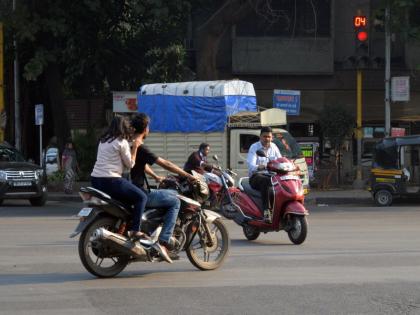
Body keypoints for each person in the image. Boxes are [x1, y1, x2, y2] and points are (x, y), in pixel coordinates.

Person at [90, 115, 171, 263]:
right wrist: (135, 147)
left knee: (128, 200)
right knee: (141, 197)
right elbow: (130, 164)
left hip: (96, 180)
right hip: (111, 180)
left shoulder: (104, 141)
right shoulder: (122, 143)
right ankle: (135, 230)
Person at [130, 113, 197, 262]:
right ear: (146, 128)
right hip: (139, 191)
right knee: (175, 201)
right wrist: (186, 175)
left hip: (128, 188)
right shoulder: (140, 147)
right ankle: (164, 242)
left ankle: (154, 229)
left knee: (168, 192)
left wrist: (156, 177)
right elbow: (165, 164)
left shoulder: (129, 143)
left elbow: (141, 165)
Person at [246, 126, 282, 223]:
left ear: (272, 137)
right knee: (266, 181)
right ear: (260, 137)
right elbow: (250, 165)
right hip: (256, 177)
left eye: (269, 137)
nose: (267, 139)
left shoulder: (274, 147)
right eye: (265, 136)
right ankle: (267, 211)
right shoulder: (254, 147)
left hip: (271, 175)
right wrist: (260, 166)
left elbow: (280, 160)